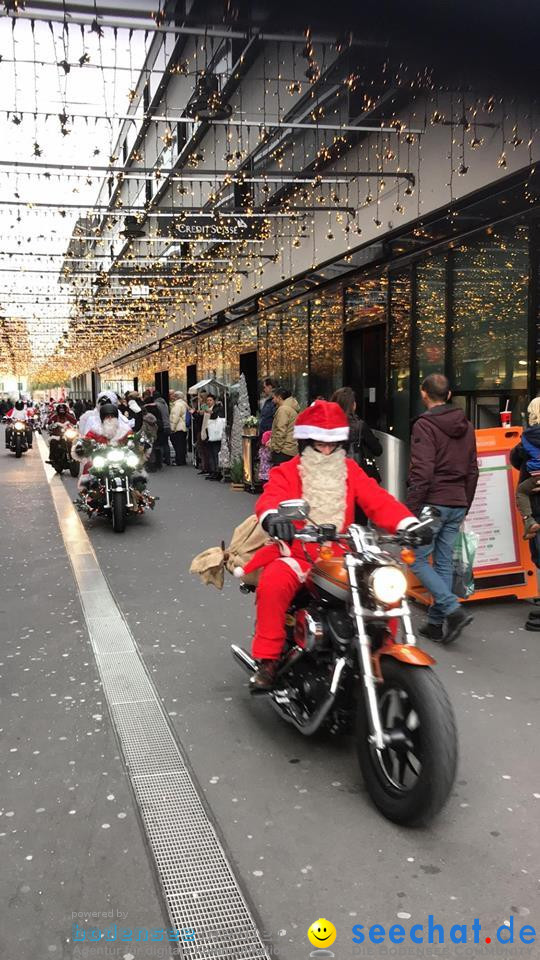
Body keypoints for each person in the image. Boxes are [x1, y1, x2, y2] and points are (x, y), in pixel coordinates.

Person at [239, 400, 424, 691]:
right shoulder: (289, 471)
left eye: (333, 444)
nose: (326, 450)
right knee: (273, 582)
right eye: (318, 444)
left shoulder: (350, 470)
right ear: (306, 442)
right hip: (298, 553)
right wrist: (274, 517)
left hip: (343, 557)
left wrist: (408, 525)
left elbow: (378, 501)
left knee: (383, 588)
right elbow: (271, 497)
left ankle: (382, 652)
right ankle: (268, 660)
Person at [406, 373, 479, 645]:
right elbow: (473, 470)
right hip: (457, 500)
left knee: (415, 557)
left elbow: (422, 472)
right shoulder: (467, 425)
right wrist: (465, 502)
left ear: (424, 393)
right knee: (444, 561)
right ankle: (436, 624)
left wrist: (410, 511)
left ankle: (450, 608)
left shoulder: (424, 425)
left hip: (432, 503)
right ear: (448, 395)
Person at [332, 386, 383, 482]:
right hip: (358, 475)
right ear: (353, 405)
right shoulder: (360, 426)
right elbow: (378, 450)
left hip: (335, 476)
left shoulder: (329, 425)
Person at [511, 397, 540, 540]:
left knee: (521, 492)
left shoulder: (528, 436)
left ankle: (528, 521)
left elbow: (515, 459)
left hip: (533, 480)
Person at [269, 387, 299, 466]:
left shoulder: (283, 409)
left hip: (284, 451)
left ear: (279, 398)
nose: (272, 400)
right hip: (290, 448)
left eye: (274, 397)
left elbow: (281, 430)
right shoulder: (289, 408)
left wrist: (276, 448)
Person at [202, 393, 225, 480]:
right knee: (211, 453)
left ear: (214, 401)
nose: (208, 402)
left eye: (210, 400)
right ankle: (213, 471)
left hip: (215, 434)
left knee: (216, 453)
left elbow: (214, 415)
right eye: (207, 400)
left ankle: (217, 472)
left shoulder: (218, 408)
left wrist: (208, 411)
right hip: (209, 433)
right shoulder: (207, 408)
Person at [169, 391, 189, 465]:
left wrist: (172, 427)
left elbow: (175, 417)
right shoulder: (183, 404)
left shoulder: (177, 405)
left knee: (178, 445)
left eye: (174, 396)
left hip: (178, 427)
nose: (172, 397)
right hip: (183, 427)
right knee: (182, 444)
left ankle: (179, 461)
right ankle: (182, 460)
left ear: (176, 397)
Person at [153, 391, 171, 466]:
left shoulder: (156, 405)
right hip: (167, 425)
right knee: (166, 443)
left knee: (159, 444)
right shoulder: (165, 403)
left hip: (162, 425)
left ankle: (160, 460)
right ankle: (168, 460)